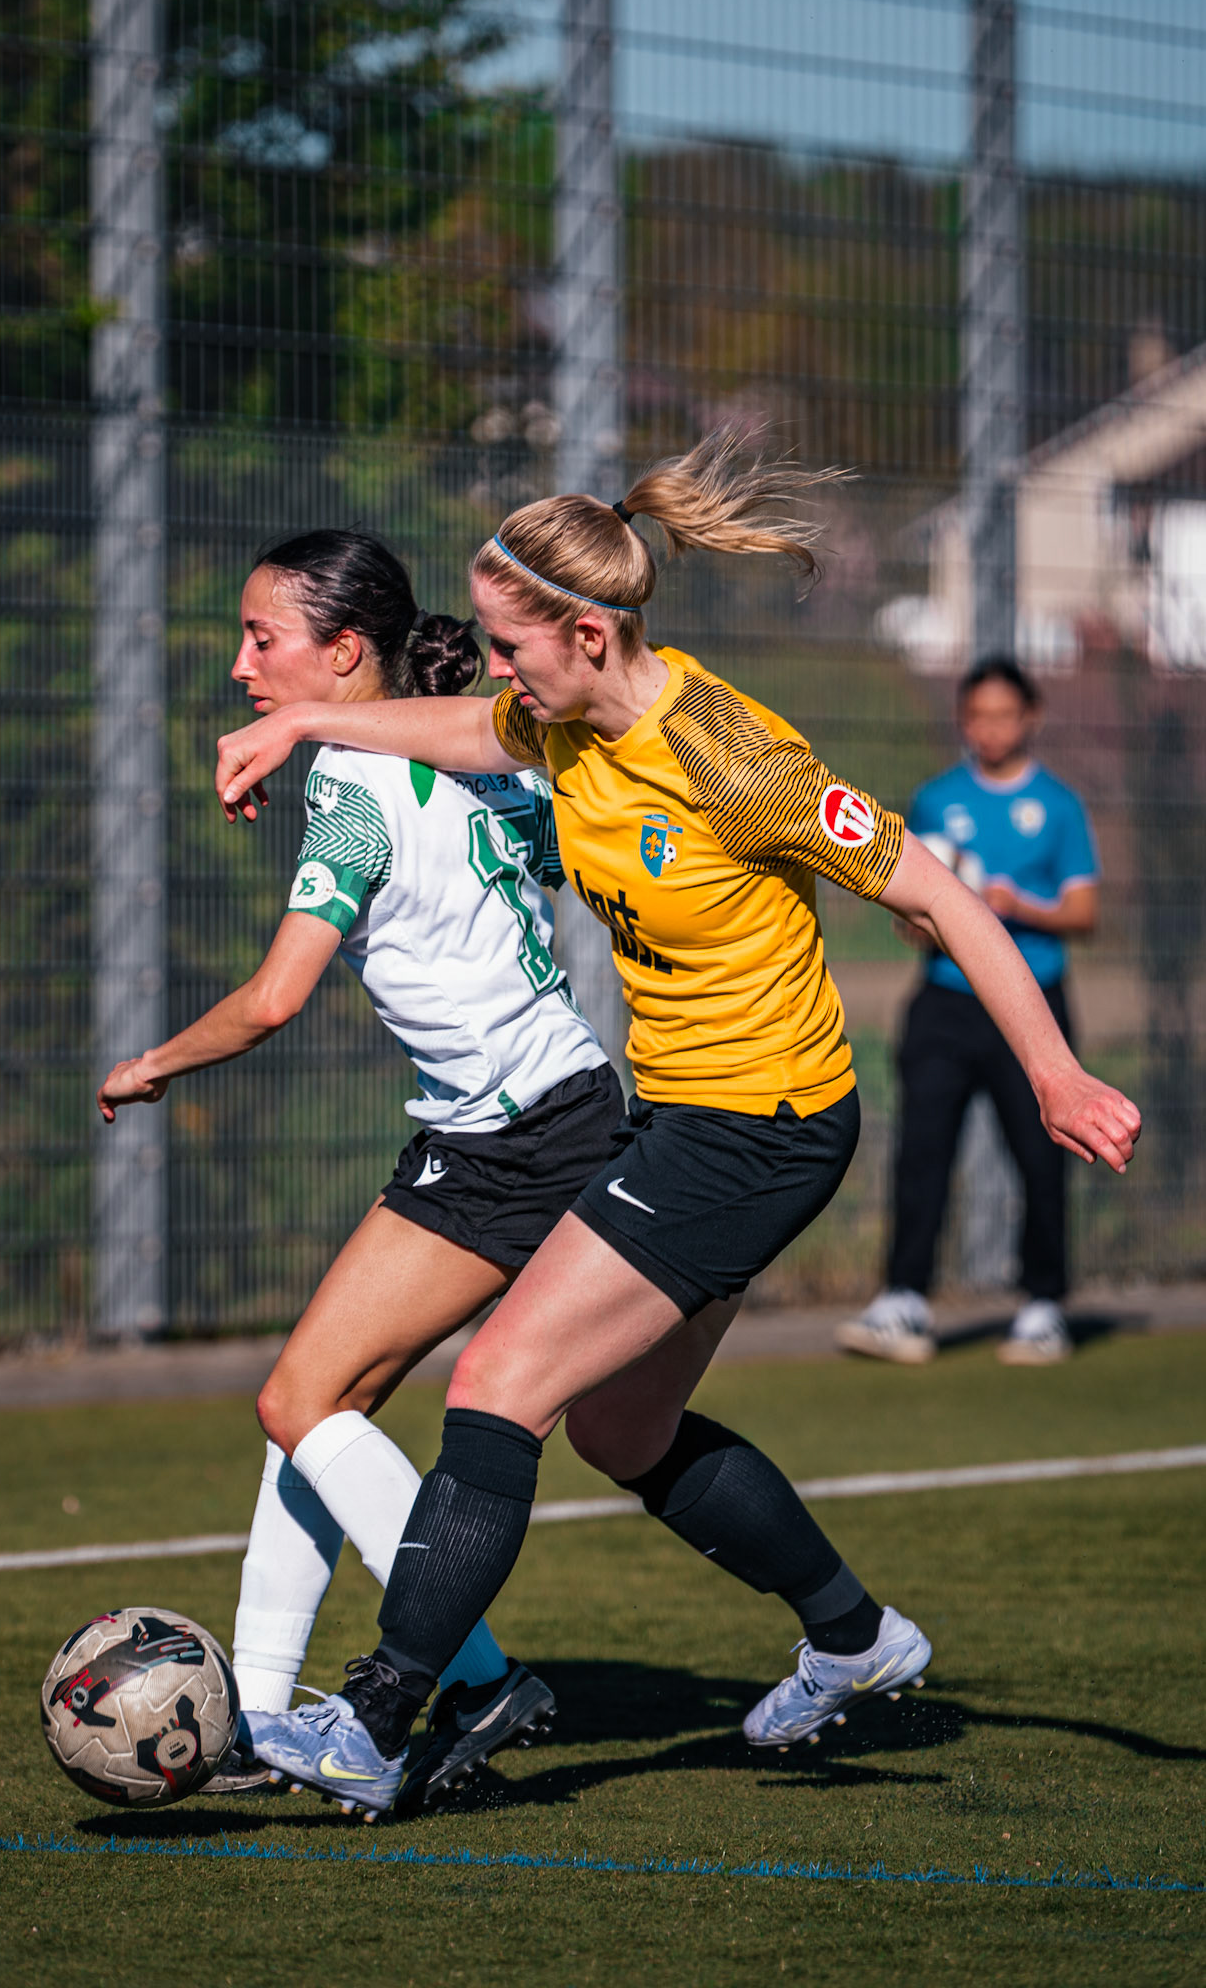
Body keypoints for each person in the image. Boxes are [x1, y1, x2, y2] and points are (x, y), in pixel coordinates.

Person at [213, 431, 1140, 1820]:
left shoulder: (737, 757)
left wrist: (1058, 1075)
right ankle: (855, 1637)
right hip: (683, 1116)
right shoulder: (559, 717)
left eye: (520, 648)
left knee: (496, 1388)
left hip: (762, 1125)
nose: (495, 669)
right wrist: (298, 723)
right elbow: (459, 726)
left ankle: (382, 1717)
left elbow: (939, 898)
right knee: (624, 1429)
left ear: (589, 633)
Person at [96, 529, 625, 1808]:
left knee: (296, 1399)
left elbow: (277, 997)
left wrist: (151, 1063)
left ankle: (474, 1673)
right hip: (551, 1107)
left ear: (345, 653)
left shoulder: (353, 779)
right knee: (317, 1404)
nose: (237, 666)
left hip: (507, 1128)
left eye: (260, 639)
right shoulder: (481, 748)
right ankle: (264, 1717)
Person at [837, 657, 1100, 1367]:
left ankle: (1042, 1305)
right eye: (975, 715)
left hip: (1031, 1003)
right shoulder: (934, 800)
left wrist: (1021, 909)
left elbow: (1083, 910)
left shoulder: (1058, 806)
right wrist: (924, 925)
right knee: (922, 1150)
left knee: (1041, 1156)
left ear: (1029, 718)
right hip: (945, 1002)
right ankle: (903, 1300)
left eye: (1001, 714)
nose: (987, 728)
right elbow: (910, 907)